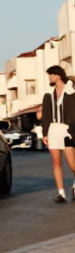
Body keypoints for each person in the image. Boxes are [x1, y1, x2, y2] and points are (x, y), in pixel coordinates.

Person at [41, 65, 75, 203]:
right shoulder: (48, 96)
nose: (50, 77)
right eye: (49, 75)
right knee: (56, 162)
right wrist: (45, 134)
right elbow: (45, 116)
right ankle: (61, 193)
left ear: (59, 75)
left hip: (68, 130)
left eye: (52, 74)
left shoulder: (71, 91)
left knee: (72, 164)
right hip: (53, 130)